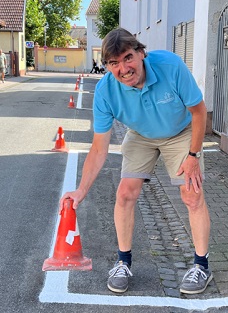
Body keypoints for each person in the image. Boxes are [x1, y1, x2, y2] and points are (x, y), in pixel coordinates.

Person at [60, 27, 212, 295]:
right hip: (141, 134)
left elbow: (199, 111)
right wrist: (81, 190)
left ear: (141, 53)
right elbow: (99, 148)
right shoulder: (106, 92)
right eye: (114, 63)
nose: (123, 69)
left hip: (181, 132)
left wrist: (193, 156)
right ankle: (123, 262)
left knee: (191, 193)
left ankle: (201, 266)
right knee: (125, 192)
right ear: (106, 66)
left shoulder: (170, 66)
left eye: (128, 58)